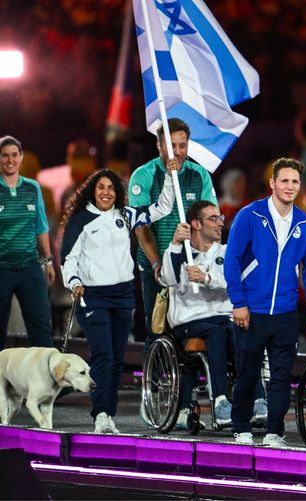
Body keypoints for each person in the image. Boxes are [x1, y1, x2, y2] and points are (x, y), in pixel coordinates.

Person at [60, 166, 177, 433]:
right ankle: (100, 413)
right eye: (101, 187)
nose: (106, 192)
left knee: (116, 359)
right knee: (103, 355)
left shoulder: (126, 215)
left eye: (111, 188)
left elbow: (163, 207)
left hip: (123, 296)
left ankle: (107, 414)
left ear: (117, 193)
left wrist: (170, 177)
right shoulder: (80, 221)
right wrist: (74, 282)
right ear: (92, 190)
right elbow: (69, 260)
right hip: (93, 297)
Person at [224, 157, 306, 447]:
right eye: (284, 180)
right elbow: (231, 259)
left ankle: (274, 432)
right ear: (272, 183)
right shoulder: (250, 215)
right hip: (252, 311)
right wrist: (238, 302)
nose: (290, 186)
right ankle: (241, 427)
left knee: (281, 377)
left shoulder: (305, 223)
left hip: (285, 313)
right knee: (248, 373)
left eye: (295, 181)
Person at [128, 118, 217, 423]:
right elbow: (140, 228)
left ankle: (182, 405)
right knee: (157, 331)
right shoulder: (144, 176)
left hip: (188, 267)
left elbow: (211, 220)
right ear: (159, 145)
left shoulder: (199, 175)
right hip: (154, 266)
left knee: (188, 335)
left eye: (182, 145)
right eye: (172, 145)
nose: (177, 152)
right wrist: (155, 262)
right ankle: (153, 397)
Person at [160, 201, 235, 428]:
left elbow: (235, 285)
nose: (220, 223)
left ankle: (253, 400)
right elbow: (167, 279)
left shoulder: (225, 252)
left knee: (239, 331)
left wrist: (207, 279)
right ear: (195, 224)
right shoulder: (179, 253)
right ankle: (221, 401)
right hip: (190, 320)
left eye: (220, 217)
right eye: (213, 218)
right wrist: (174, 243)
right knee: (218, 333)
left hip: (223, 318)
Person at [0, 136, 55, 368]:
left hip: (29, 266)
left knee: (40, 323)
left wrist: (48, 261)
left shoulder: (32, 188)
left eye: (15, 155)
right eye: (5, 155)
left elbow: (41, 227)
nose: (10, 159)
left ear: (21, 158)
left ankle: (45, 375)